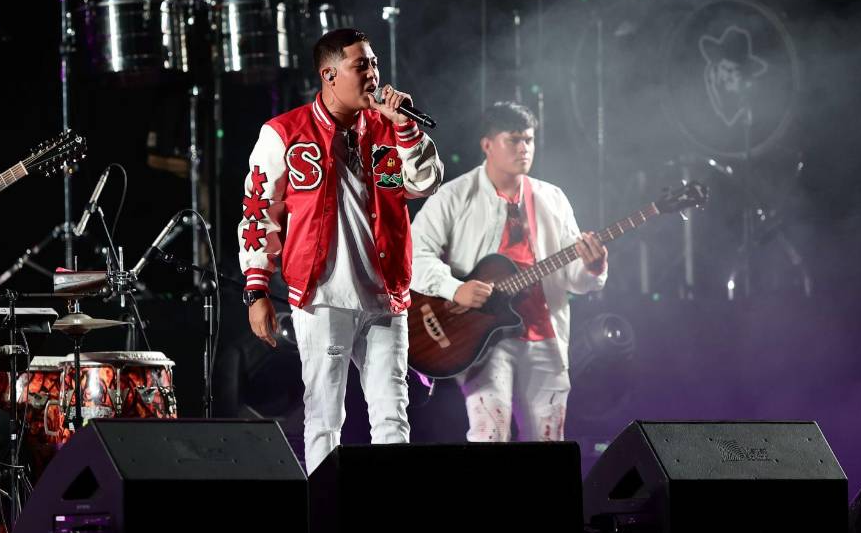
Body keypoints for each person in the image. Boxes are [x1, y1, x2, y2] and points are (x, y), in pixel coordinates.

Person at [239, 28, 443, 473]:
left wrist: (405, 126)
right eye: (361, 65)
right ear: (329, 74)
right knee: (324, 418)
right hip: (323, 296)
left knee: (393, 416)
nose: (373, 75)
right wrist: (256, 289)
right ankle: (325, 520)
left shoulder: (391, 129)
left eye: (374, 64)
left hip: (385, 295)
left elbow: (425, 183)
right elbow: (258, 212)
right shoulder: (284, 132)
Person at [410, 101, 607, 442]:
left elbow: (574, 278)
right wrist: (455, 288)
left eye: (529, 140)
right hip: (482, 338)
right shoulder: (454, 196)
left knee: (549, 441)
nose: (524, 148)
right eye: (514, 140)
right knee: (491, 435)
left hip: (545, 334)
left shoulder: (552, 198)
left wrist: (593, 267)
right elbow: (412, 257)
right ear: (487, 145)